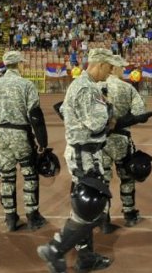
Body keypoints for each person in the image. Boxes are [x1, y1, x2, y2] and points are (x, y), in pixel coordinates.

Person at [37, 48, 120, 273]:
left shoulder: (82, 85)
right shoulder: (87, 88)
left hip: (84, 150)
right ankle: (55, 250)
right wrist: (110, 115)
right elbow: (97, 123)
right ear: (99, 64)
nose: (111, 72)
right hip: (85, 152)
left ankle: (85, 257)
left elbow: (64, 110)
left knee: (87, 207)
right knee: (89, 205)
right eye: (109, 67)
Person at [0, 51, 48, 232]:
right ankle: (32, 216)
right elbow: (35, 115)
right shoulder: (26, 85)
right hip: (21, 134)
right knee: (29, 175)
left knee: (6, 177)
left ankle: (10, 218)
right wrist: (42, 141)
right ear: (19, 64)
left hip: (1, 136)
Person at [98, 55, 152, 232]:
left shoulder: (94, 86)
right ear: (113, 68)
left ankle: (104, 218)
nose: (124, 70)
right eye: (122, 67)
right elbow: (139, 113)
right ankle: (129, 213)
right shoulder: (127, 88)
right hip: (121, 139)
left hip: (99, 140)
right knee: (127, 177)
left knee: (103, 179)